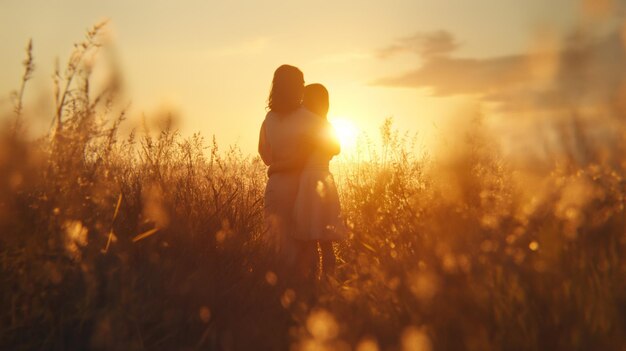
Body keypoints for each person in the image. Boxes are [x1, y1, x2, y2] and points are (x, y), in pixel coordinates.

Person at [257, 65, 321, 279]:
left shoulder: (268, 119)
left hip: (274, 187)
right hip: (300, 187)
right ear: (294, 86)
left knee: (277, 243)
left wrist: (276, 167)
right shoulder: (308, 118)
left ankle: (277, 298)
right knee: (301, 245)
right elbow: (331, 145)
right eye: (301, 83)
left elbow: (265, 156)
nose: (304, 87)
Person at [292, 84, 346, 276]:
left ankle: (320, 282)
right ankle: (323, 282)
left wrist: (313, 141)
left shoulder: (319, 124)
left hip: (313, 179)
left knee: (316, 239)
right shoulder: (321, 123)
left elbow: (336, 148)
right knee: (321, 240)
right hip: (320, 179)